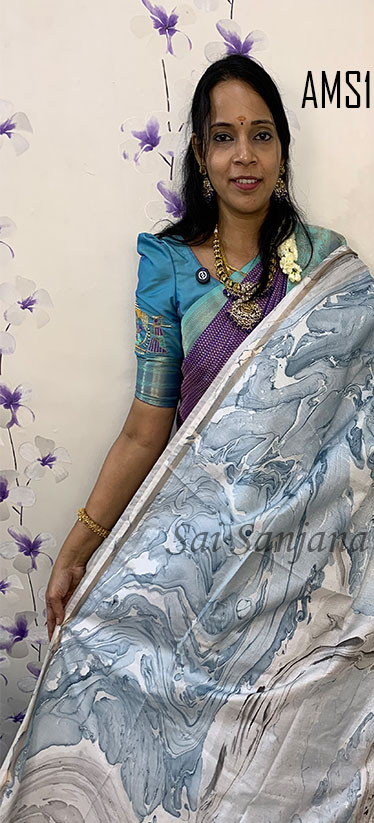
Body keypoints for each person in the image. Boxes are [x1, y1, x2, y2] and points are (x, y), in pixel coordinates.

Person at [44, 54, 347, 640]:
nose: (245, 155)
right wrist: (77, 550)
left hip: (309, 546)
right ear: (201, 155)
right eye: (224, 137)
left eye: (262, 135)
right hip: (202, 544)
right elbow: (146, 428)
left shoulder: (324, 262)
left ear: (282, 152)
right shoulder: (168, 268)